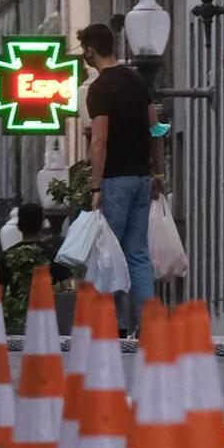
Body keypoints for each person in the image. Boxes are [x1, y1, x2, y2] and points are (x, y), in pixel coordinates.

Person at [78, 23, 164, 335]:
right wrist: (158, 171)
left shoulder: (100, 88)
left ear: (90, 49)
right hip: (142, 178)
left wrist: (96, 186)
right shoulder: (136, 80)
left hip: (115, 179)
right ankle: (149, 323)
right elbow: (156, 129)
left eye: (83, 51)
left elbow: (99, 141)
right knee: (137, 253)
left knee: (107, 254)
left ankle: (112, 324)